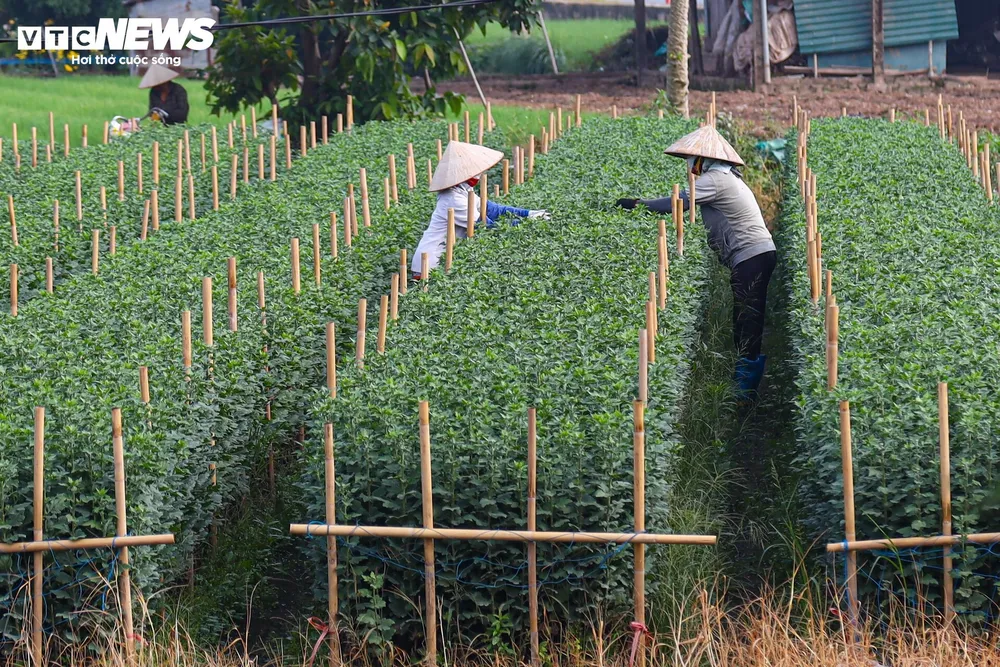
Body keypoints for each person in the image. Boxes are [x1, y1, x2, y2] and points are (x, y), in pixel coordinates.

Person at [616, 125, 775, 398]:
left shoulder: (716, 180)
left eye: (693, 160)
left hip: (751, 255)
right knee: (746, 318)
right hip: (755, 255)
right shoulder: (725, 178)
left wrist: (637, 204)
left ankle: (744, 394)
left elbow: (677, 202)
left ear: (705, 159)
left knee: (747, 320)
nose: (691, 166)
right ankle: (743, 387)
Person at [412, 141, 549, 278]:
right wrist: (526, 223)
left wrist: (528, 213)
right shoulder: (452, 199)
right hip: (430, 264)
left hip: (444, 259)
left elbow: (492, 210)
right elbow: (485, 226)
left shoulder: (463, 190)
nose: (479, 174)